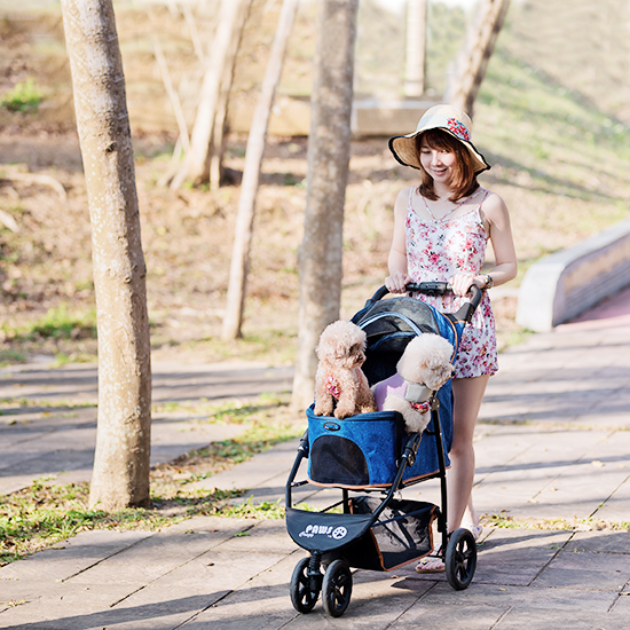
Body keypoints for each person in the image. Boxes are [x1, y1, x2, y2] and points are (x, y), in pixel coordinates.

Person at [385, 104, 517, 573]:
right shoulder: (406, 199)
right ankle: (467, 514)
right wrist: (396, 274)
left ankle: (450, 536)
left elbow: (509, 266)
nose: (435, 160)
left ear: (462, 152)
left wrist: (481, 278)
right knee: (423, 432)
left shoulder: (488, 204)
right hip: (416, 327)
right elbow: (397, 256)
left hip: (468, 327)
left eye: (444, 149)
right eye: (426, 149)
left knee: (458, 439)